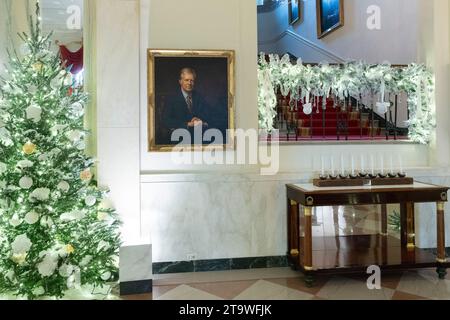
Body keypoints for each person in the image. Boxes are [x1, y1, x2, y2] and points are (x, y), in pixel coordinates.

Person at [162, 68, 211, 144]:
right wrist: (187, 124)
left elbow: (207, 114)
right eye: (186, 80)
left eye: (192, 80)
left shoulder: (199, 96)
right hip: (179, 137)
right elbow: (166, 120)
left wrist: (199, 119)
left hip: (198, 137)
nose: (189, 83)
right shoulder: (171, 98)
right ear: (180, 81)